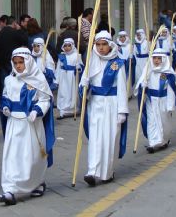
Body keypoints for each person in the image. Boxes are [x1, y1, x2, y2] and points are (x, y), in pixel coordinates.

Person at [0, 47, 54, 205]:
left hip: (31, 124)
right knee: (12, 155)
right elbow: (5, 96)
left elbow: (45, 100)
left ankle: (36, 182)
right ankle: (10, 189)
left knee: (32, 156)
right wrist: (6, 107)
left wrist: (37, 111)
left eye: (21, 62)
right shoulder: (9, 79)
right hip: (14, 123)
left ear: (28, 61)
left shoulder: (38, 79)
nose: (18, 66)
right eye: (15, 63)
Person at [79, 31, 128, 186]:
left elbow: (122, 88)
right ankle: (92, 171)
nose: (101, 48)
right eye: (98, 45)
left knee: (109, 137)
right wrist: (84, 85)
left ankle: (107, 172)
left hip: (112, 104)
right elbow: (83, 90)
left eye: (104, 44)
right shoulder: (90, 62)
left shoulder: (117, 64)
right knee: (95, 138)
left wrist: (122, 110)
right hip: (95, 104)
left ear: (110, 45)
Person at [135, 48, 176, 154]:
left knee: (164, 122)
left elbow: (171, 91)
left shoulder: (168, 73)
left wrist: (170, 105)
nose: (156, 61)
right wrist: (142, 86)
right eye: (154, 58)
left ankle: (163, 140)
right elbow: (140, 83)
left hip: (163, 100)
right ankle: (153, 142)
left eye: (159, 58)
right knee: (152, 121)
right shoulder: (148, 70)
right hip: (151, 100)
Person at [0, 16, 28, 98]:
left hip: (2, 63)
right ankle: (15, 100)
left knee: (4, 84)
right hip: (14, 62)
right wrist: (20, 29)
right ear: (14, 23)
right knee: (16, 82)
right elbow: (25, 40)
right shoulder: (15, 32)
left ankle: (4, 103)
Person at [55, 38, 83, 119]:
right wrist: (56, 80)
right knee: (63, 93)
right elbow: (58, 69)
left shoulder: (77, 55)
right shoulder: (61, 56)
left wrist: (78, 67)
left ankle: (73, 109)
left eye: (69, 46)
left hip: (72, 78)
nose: (67, 47)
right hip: (63, 77)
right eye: (65, 46)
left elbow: (81, 67)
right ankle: (63, 110)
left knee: (72, 93)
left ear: (72, 46)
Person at [116, 31, 134, 97]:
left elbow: (133, 57)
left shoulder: (130, 46)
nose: (122, 38)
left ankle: (128, 94)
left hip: (127, 65)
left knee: (128, 79)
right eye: (121, 37)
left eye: (124, 37)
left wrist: (131, 57)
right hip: (120, 65)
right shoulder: (117, 46)